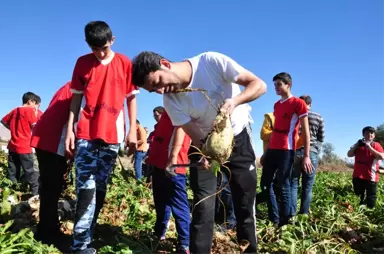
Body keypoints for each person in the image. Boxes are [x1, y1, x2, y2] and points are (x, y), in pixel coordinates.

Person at [132, 51, 267, 254]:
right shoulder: (171, 101)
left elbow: (259, 85)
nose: (160, 91)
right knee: (203, 206)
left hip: (238, 138)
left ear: (165, 64)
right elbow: (196, 136)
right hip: (204, 145)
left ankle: (249, 249)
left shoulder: (210, 63)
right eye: (153, 90)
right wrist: (205, 153)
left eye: (157, 81)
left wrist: (235, 101)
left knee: (244, 203)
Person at [64, 21, 139, 254]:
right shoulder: (82, 63)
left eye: (104, 48)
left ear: (112, 41)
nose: (100, 53)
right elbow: (75, 99)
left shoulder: (125, 63)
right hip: (86, 131)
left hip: (113, 135)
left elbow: (131, 97)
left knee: (101, 186)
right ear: (88, 45)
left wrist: (132, 130)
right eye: (95, 49)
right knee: (85, 187)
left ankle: (89, 230)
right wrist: (70, 130)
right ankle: (80, 245)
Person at [262, 72, 313, 227]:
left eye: (279, 84)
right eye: (275, 85)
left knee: (283, 184)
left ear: (288, 85)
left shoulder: (298, 103)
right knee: (265, 184)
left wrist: (306, 155)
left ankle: (285, 223)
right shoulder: (277, 105)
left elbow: (305, 131)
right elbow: (273, 130)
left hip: (287, 149)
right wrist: (266, 153)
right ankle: (275, 218)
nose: (276, 88)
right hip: (273, 148)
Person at [31, 82, 73, 245]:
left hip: (48, 140)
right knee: (51, 189)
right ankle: (46, 234)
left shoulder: (69, 86)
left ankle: (49, 228)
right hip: (53, 141)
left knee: (51, 189)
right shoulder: (79, 87)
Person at [146, 110, 191, 254]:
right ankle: (160, 233)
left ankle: (185, 243)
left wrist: (173, 158)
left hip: (174, 165)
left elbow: (181, 128)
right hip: (159, 163)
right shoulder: (168, 107)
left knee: (178, 204)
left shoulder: (180, 105)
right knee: (161, 202)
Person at [1, 92, 40, 197]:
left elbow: (3, 121)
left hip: (13, 146)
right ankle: (35, 195)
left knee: (12, 172)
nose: (36, 106)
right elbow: (36, 126)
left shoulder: (14, 110)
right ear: (30, 101)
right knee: (31, 172)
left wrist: (13, 130)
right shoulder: (29, 111)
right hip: (25, 146)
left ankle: (11, 195)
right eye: (35, 103)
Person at [291, 95, 325, 216]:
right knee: (307, 186)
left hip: (295, 151)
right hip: (311, 153)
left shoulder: (294, 116)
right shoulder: (318, 116)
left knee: (293, 183)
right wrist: (315, 150)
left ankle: (292, 214)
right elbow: (321, 137)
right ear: (310, 104)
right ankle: (304, 214)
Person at [347, 126, 384, 208]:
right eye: (367, 133)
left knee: (371, 197)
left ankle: (370, 212)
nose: (370, 134)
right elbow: (349, 154)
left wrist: (369, 147)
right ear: (363, 134)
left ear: (374, 135)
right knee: (358, 196)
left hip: (371, 176)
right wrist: (357, 144)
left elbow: (382, 157)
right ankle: (358, 213)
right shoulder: (358, 145)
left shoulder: (376, 145)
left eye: (372, 133)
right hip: (357, 176)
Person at [143, 106, 165, 182]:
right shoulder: (156, 127)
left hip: (161, 155)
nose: (155, 118)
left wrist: (153, 140)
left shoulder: (168, 127)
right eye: (154, 116)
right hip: (153, 153)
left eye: (156, 115)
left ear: (163, 114)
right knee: (151, 171)